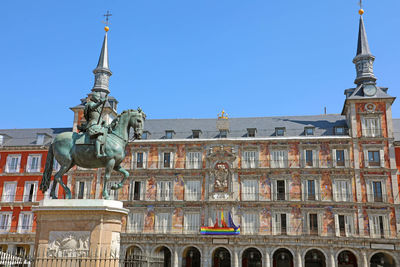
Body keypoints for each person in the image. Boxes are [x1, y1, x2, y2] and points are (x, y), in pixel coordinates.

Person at [83, 92, 107, 158]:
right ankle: (97, 153)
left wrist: (103, 122)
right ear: (94, 97)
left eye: (99, 97)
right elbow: (93, 107)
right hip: (92, 125)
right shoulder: (90, 104)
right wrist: (101, 102)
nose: (99, 98)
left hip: (98, 125)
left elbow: (98, 117)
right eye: (98, 97)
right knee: (99, 135)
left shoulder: (98, 107)